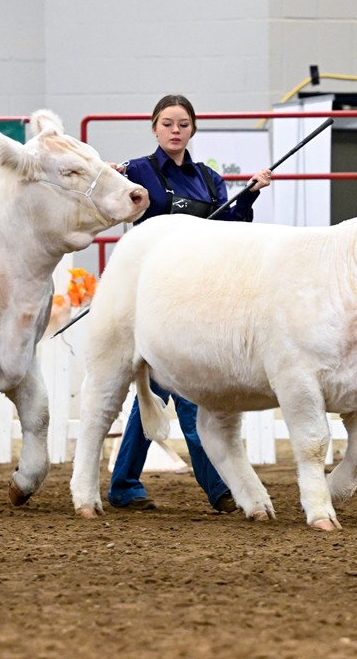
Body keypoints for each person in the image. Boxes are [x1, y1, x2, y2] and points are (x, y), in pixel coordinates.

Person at [106, 94, 273, 513]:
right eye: (167, 123)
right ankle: (219, 489)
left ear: (192, 129)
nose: (175, 130)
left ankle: (124, 484)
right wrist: (107, 178)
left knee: (158, 391)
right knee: (182, 393)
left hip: (199, 294)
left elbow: (231, 228)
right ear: (155, 128)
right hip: (154, 294)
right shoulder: (137, 170)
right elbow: (112, 203)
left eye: (182, 123)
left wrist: (247, 195)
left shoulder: (210, 178)